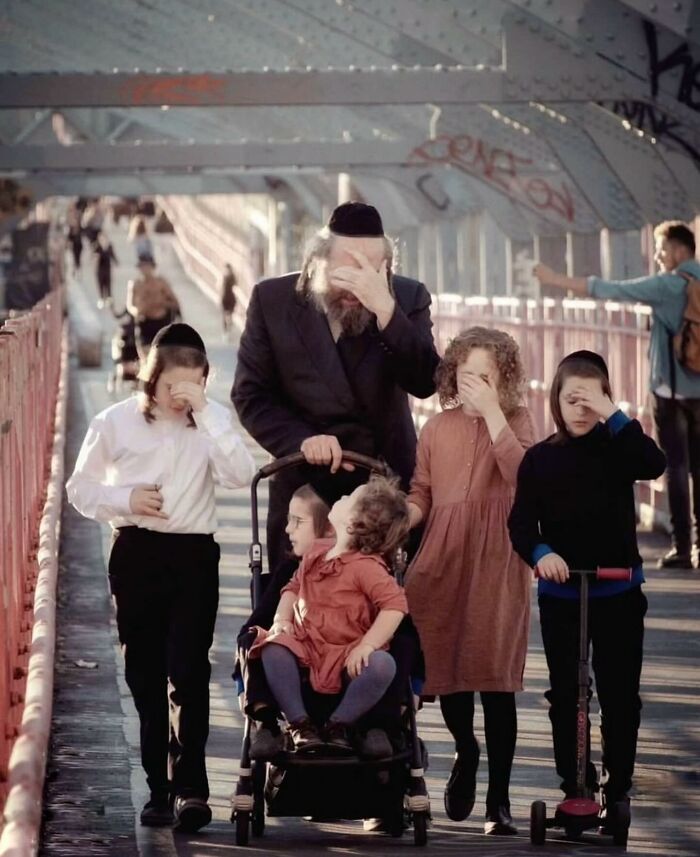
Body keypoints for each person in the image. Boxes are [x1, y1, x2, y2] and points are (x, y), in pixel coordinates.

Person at [66, 323, 255, 833]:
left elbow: (241, 474)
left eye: (193, 386)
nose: (182, 397)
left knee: (190, 672)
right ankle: (158, 789)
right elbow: (78, 488)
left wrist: (209, 410)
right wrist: (124, 499)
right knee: (144, 676)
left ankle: (192, 788)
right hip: (135, 552)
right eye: (174, 386)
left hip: (195, 554)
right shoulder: (115, 422)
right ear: (152, 379)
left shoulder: (208, 422)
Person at [232, 201, 440, 578]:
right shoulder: (272, 300)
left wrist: (385, 310)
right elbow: (250, 395)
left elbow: (425, 381)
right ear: (317, 260)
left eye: (372, 268)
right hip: (303, 481)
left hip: (382, 481)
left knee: (380, 603)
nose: (357, 282)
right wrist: (302, 440)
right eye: (347, 267)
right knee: (289, 598)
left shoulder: (407, 298)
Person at [508, 350, 665, 833]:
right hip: (563, 594)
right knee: (567, 695)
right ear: (555, 400)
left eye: (590, 399)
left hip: (617, 591)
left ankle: (618, 785)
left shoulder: (619, 448)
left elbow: (653, 463)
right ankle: (574, 782)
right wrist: (541, 554)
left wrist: (613, 415)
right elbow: (520, 525)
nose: (580, 408)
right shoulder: (540, 458)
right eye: (570, 398)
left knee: (620, 695)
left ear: (605, 400)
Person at [404, 327, 535, 836]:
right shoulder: (436, 428)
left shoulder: (520, 420)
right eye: (465, 376)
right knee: (447, 667)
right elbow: (422, 492)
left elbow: (525, 476)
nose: (474, 386)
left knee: (496, 679)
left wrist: (497, 416)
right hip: (443, 557)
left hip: (499, 560)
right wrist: (401, 517)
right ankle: (465, 747)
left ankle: (498, 802)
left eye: (485, 377)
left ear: (504, 380)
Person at [534, 221, 700, 569]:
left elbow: (611, 289)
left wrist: (554, 280)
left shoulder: (669, 284)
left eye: (662, 248)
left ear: (680, 250)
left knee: (677, 466)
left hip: (670, 389)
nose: (657, 256)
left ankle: (683, 546)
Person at [246, 476, 410, 759]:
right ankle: (299, 723)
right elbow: (293, 587)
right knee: (272, 647)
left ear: (352, 524)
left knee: (383, 665)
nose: (342, 498)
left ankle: (340, 725)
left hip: (347, 652)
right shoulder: (317, 553)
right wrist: (281, 619)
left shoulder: (365, 567)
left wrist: (367, 645)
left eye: (349, 499)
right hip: (308, 646)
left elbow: (395, 605)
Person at [127, 254, 181, 359]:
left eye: (147, 266)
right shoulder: (135, 284)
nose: (145, 270)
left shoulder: (161, 283)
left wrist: (161, 302)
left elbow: (175, 302)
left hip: (160, 322)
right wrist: (136, 311)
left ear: (152, 267)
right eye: (142, 266)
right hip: (144, 322)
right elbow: (130, 305)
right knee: (145, 356)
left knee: (161, 356)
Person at [94, 232, 118, 307]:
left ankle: (109, 298)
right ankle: (101, 299)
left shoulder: (109, 246)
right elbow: (94, 258)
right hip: (100, 269)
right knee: (101, 284)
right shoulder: (97, 247)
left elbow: (113, 255)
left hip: (107, 268)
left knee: (108, 284)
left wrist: (116, 262)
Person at [220, 263, 237, 337]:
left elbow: (235, 285)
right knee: (225, 314)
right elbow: (220, 287)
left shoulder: (231, 277)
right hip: (225, 298)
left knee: (229, 314)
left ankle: (228, 329)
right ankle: (226, 331)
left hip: (230, 298)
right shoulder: (224, 277)